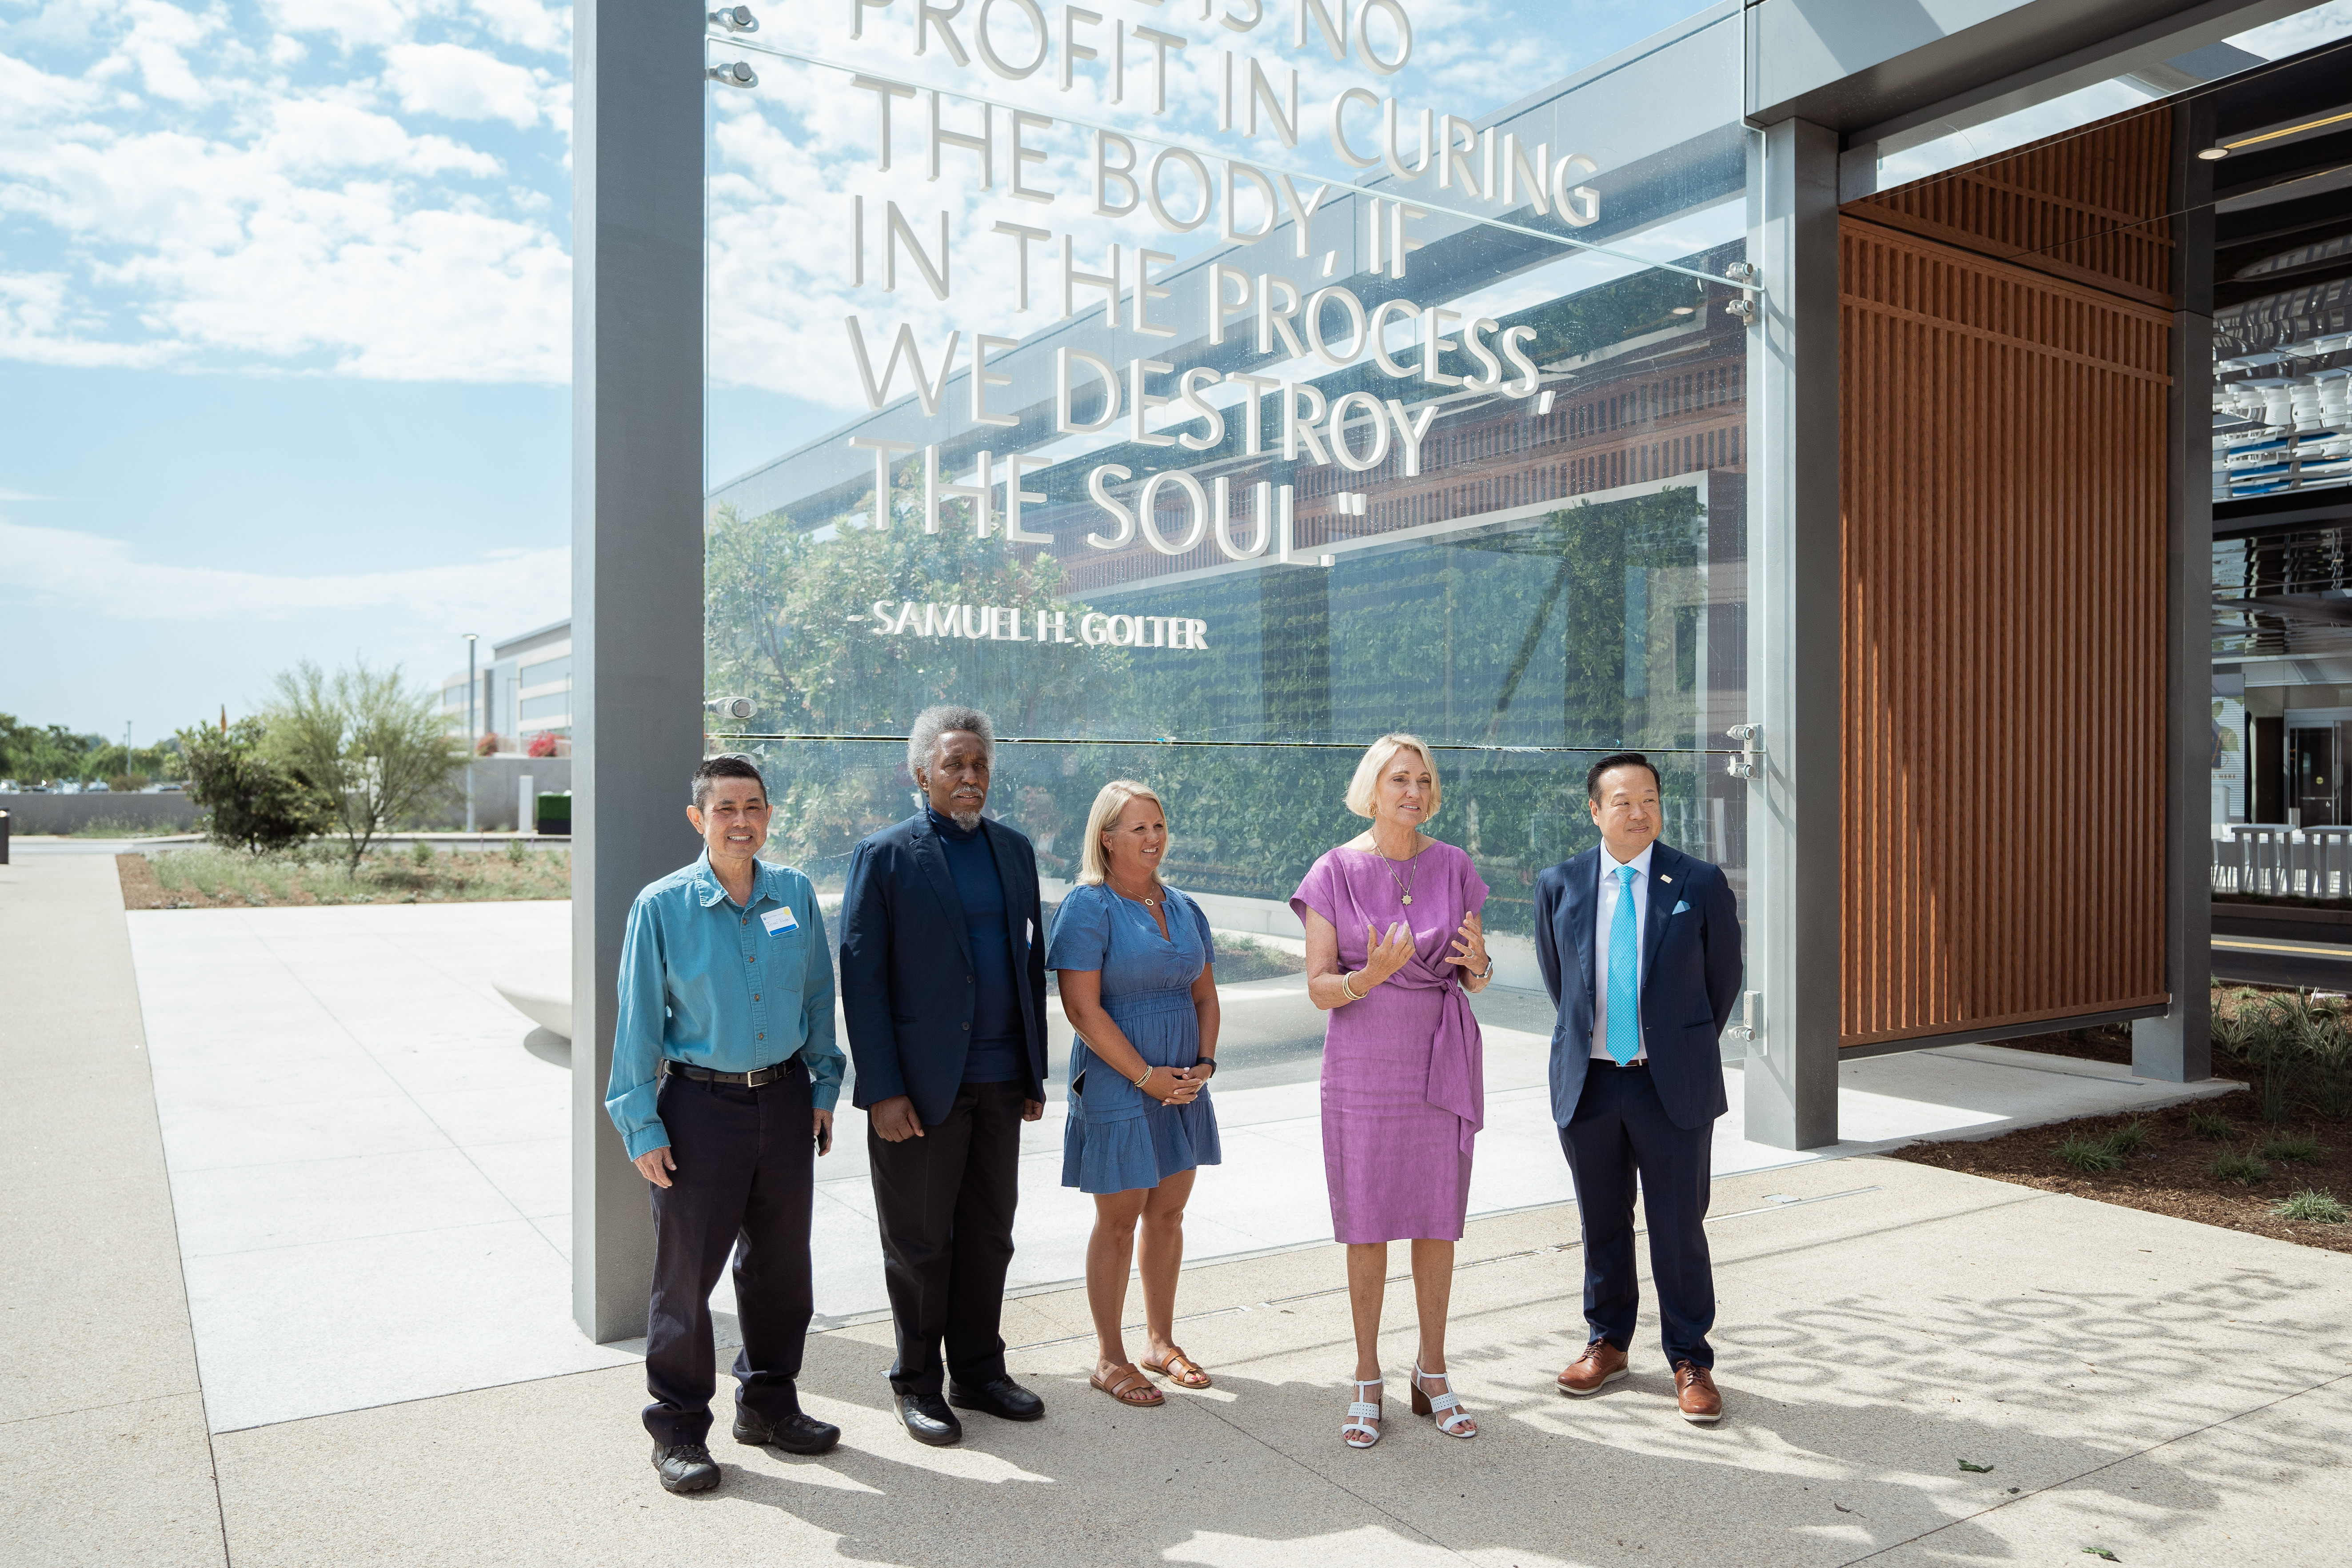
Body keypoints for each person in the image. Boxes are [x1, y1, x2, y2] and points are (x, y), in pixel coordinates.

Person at [605, 753, 846, 1496]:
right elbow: (638, 1022)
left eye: (755, 808)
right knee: (686, 1278)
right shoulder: (663, 905)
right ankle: (677, 1428)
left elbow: (815, 996)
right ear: (698, 818)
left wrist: (823, 1083)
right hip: (698, 1110)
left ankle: (769, 1405)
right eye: (725, 809)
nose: (742, 822)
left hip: (782, 1099)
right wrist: (640, 1122)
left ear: (769, 815)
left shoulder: (795, 894)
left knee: (781, 1267)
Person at [839, 705, 1050, 1446]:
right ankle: (917, 1382)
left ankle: (980, 1372)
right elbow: (861, 979)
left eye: (980, 765)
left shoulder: (1014, 850)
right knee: (921, 1242)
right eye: (955, 765)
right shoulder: (886, 854)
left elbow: (1028, 963)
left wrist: (1032, 1069)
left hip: (998, 1079)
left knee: (990, 1235)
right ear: (920, 772)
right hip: (919, 1091)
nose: (970, 777)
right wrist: (882, 1089)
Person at [1291, 734, 1494, 1448]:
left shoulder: (1456, 866)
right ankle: (1366, 1374)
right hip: (1363, 1064)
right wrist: (1365, 979)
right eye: (1398, 778)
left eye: (1423, 779)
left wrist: (1480, 966)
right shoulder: (1333, 870)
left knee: (1437, 1220)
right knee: (1368, 1222)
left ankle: (1432, 1371)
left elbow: (1473, 970)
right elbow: (1318, 987)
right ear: (1371, 787)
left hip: (1439, 1058)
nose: (1413, 790)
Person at [1533, 752, 1743, 1425]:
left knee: (1679, 1227)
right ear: (1594, 810)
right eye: (1621, 800)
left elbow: (1722, 983)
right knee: (1602, 1223)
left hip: (1670, 1083)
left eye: (1648, 798)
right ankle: (1607, 1342)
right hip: (1589, 1084)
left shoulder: (1698, 882)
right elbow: (1559, 982)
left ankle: (1690, 1358)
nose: (1637, 810)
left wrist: (1671, 1044)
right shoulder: (1559, 883)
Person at [1049, 780, 1222, 1409]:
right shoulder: (1087, 906)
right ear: (1106, 837)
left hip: (1181, 1082)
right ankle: (1109, 1356)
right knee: (1118, 1219)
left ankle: (1159, 1341)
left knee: (1169, 1213)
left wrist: (1202, 1063)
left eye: (1158, 825)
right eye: (1138, 828)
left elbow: (1204, 995)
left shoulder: (1182, 906)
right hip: (1120, 1080)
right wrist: (1145, 1075)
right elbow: (1081, 1009)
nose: (1153, 838)